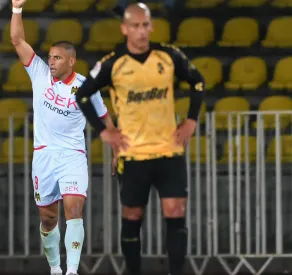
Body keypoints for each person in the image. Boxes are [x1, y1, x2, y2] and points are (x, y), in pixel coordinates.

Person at [76, 3, 205, 275]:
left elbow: (197, 82)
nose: (141, 31)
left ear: (151, 26)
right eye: (135, 26)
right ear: (125, 29)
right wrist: (104, 132)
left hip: (169, 150)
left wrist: (192, 119)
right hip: (132, 154)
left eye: (145, 25)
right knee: (133, 216)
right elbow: (83, 95)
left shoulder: (168, 56)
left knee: (175, 212)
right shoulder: (113, 63)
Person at [10, 1, 116, 274]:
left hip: (72, 156)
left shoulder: (85, 87)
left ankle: (71, 271)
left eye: (57, 57)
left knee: (73, 208)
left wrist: (117, 149)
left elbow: (104, 117)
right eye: (50, 57)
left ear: (71, 60)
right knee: (48, 218)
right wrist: (17, 9)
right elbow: (17, 39)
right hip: (43, 155)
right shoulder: (40, 74)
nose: (51, 61)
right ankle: (55, 268)